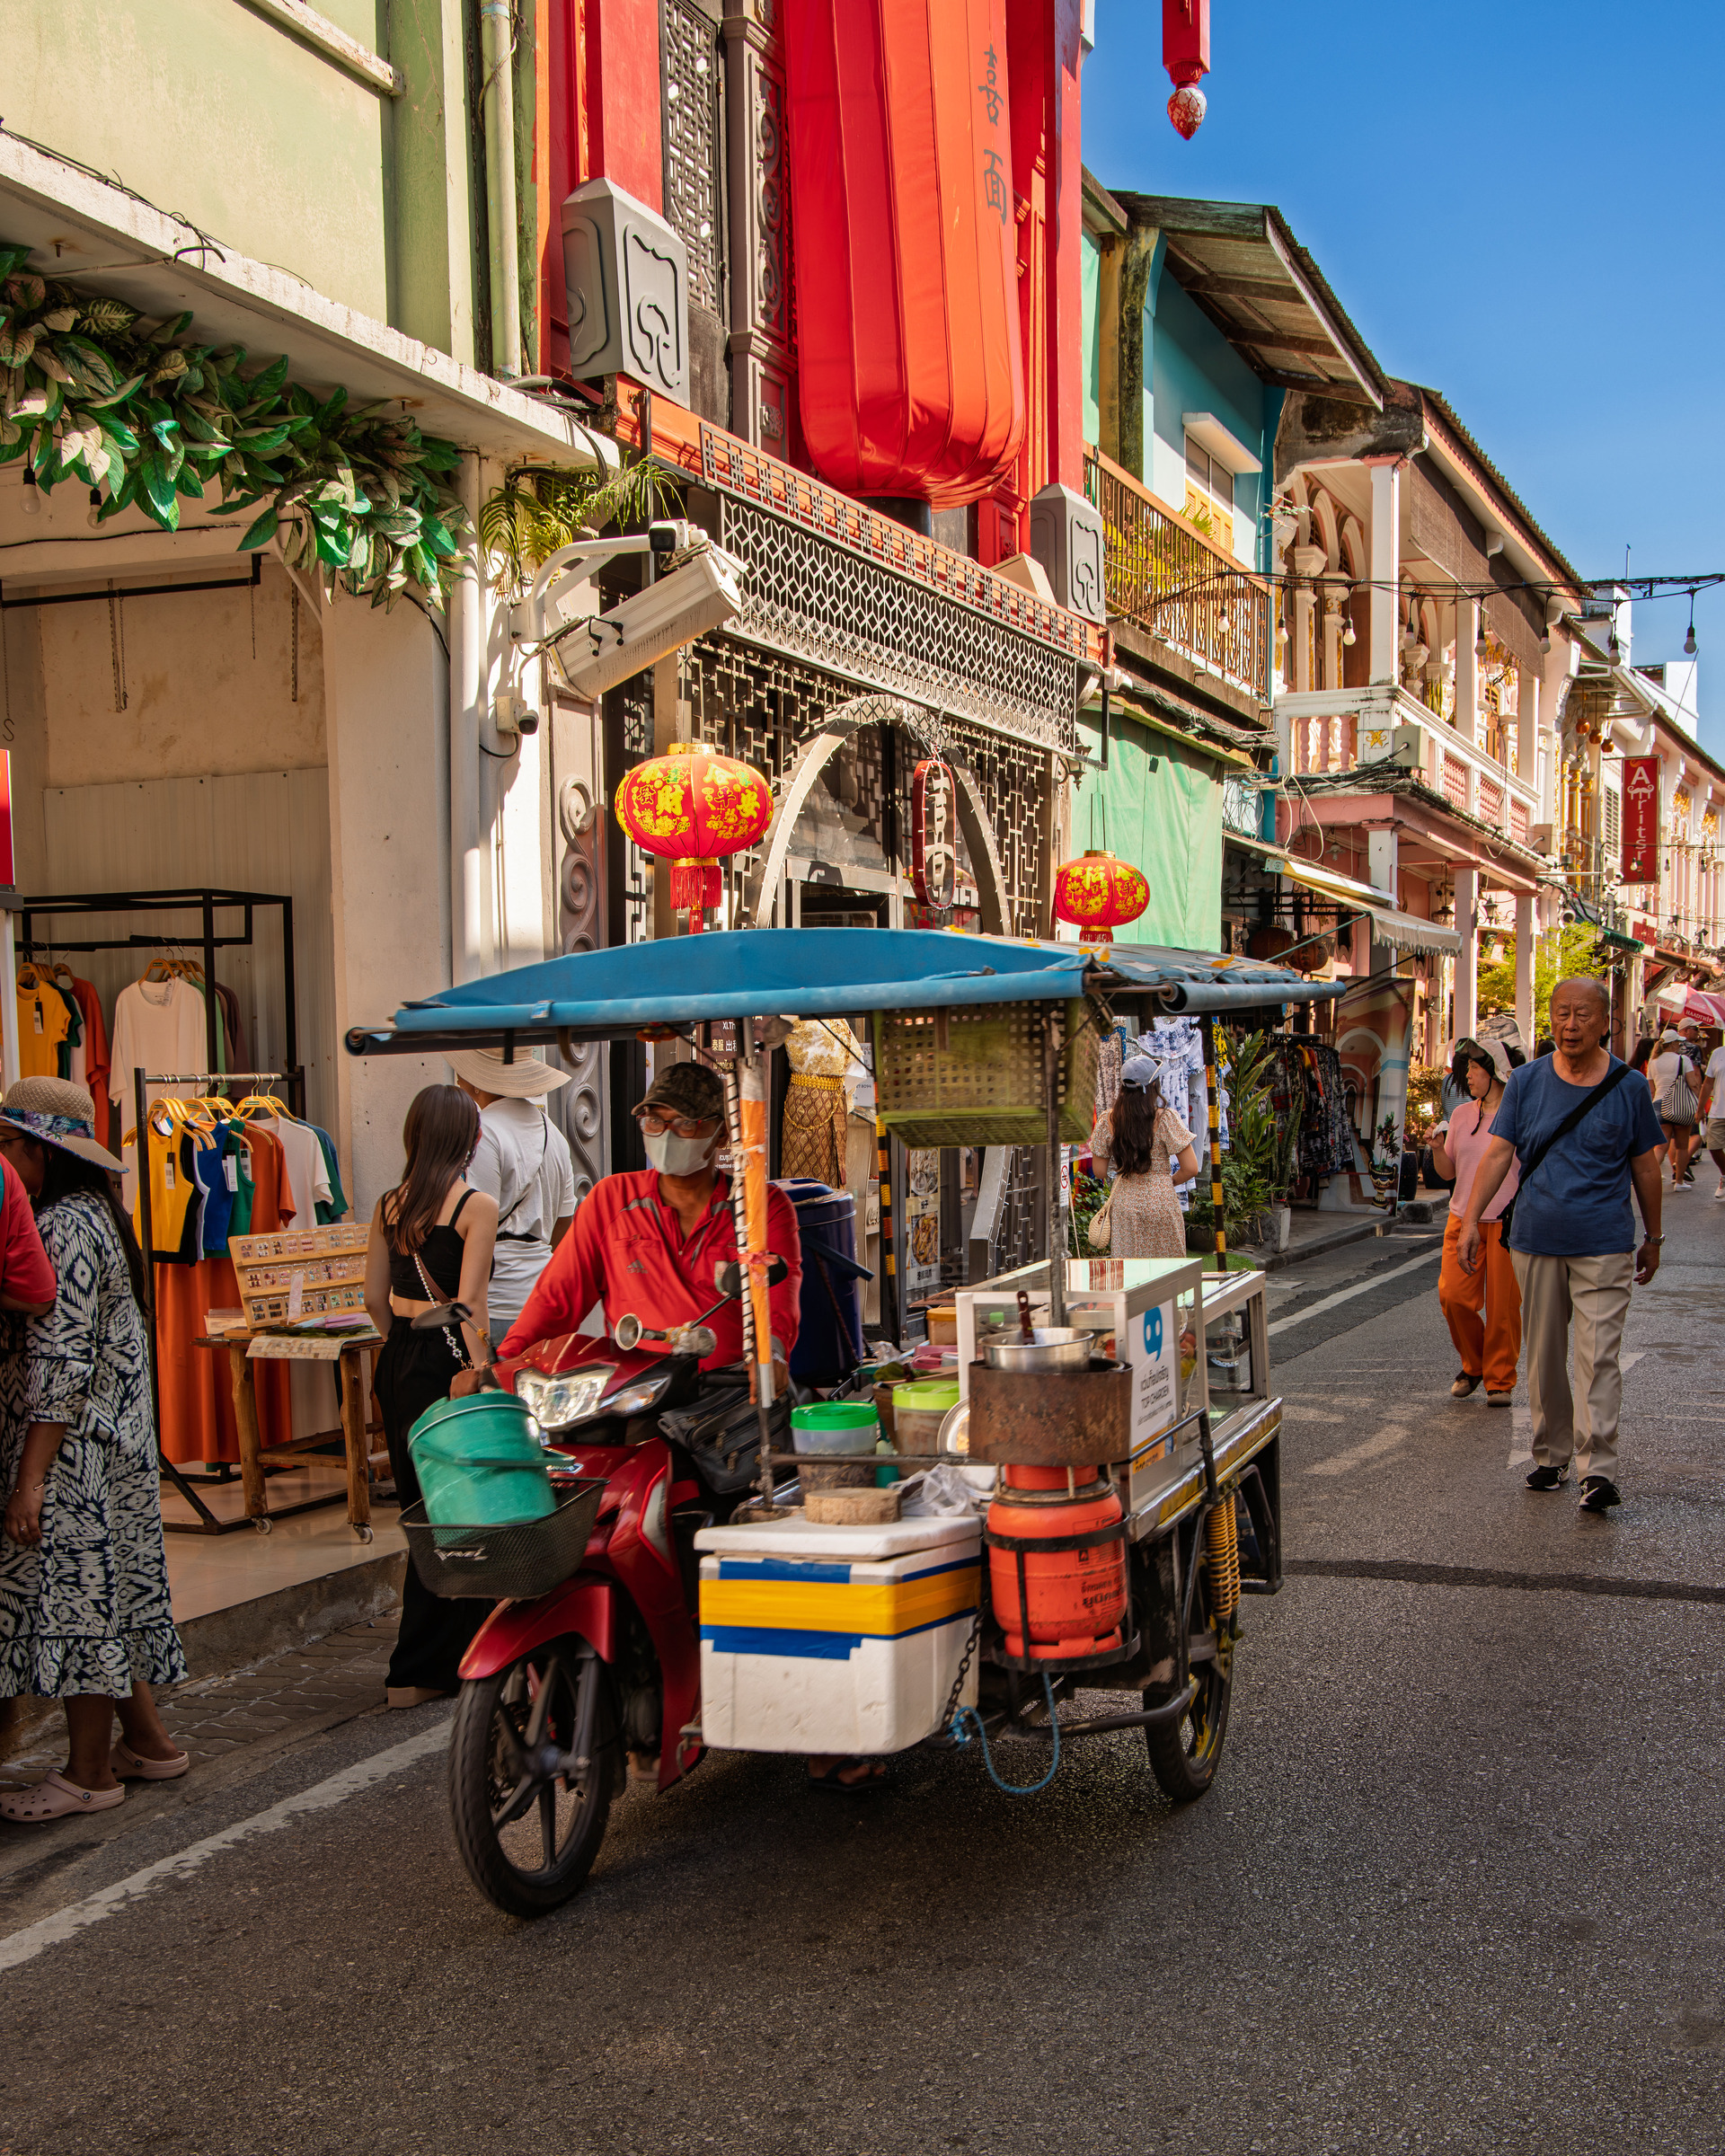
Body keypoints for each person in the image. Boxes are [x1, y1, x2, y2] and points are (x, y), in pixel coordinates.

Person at [473, 1063, 845, 1784]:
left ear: (715, 1137)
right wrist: (505, 1365)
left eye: (686, 1123)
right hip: (625, 1397)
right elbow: (557, 1298)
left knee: (772, 1537)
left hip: (729, 1396)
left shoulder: (758, 1207)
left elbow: (781, 1303)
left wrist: (771, 1350)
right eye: (654, 1119)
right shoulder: (611, 1201)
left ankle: (817, 1717)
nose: (666, 1134)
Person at [0, 1079, 190, 1822]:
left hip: (78, 1447)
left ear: (43, 1149)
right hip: (113, 1440)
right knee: (108, 1594)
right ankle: (145, 1742)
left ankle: (88, 1774)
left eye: (11, 1146)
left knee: (80, 1599)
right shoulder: (97, 1216)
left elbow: (62, 1358)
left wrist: (31, 1479)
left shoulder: (64, 1228)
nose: (6, 1162)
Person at [1458, 977, 1664, 1515]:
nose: (1569, 1025)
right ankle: (1550, 1455)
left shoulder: (1629, 1087)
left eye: (1581, 1015)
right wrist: (1471, 1222)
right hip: (1536, 1239)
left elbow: (1646, 1165)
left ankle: (1597, 1469)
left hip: (1605, 1241)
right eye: (1560, 1014)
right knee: (1545, 1353)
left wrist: (1654, 1236)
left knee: (1598, 1358)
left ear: (1605, 1022)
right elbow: (1499, 1153)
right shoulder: (1525, 1082)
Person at [362, 1085, 499, 1709]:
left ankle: (418, 1668)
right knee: (463, 1511)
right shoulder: (476, 1205)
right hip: (449, 1364)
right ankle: (450, 1659)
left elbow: (372, 1300)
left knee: (421, 1512)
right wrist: (477, 1368)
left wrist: (401, 1352)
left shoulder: (389, 1205)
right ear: (469, 1140)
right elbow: (471, 1306)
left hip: (398, 1362)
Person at [448, 1047, 577, 1344]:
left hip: (497, 1300)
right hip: (542, 1295)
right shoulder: (554, 1134)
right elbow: (564, 1224)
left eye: (463, 1073)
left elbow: (476, 1224)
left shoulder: (483, 1132)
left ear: (479, 1081)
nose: (458, 1080)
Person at [1430, 1039, 1521, 1404]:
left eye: (1474, 1069)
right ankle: (1474, 1364)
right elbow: (1448, 1172)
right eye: (1466, 1068)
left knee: (1502, 1308)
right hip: (1462, 1217)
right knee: (1453, 1298)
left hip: (1505, 1220)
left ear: (1496, 1071)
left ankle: (1499, 1380)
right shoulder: (1463, 1115)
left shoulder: (1519, 1113)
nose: (1467, 1076)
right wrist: (1438, 1149)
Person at [1087, 1055, 1200, 1259]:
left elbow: (1099, 1171)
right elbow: (1191, 1168)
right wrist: (1166, 1182)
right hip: (1161, 1201)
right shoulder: (1165, 1118)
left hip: (1125, 1205)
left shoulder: (1108, 1120)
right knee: (1167, 1269)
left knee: (1130, 1270)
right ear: (1152, 1086)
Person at [1647, 1028, 1700, 1191]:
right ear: (1673, 1044)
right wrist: (1698, 1098)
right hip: (1680, 1106)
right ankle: (1679, 1182)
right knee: (1682, 1146)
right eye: (1678, 1042)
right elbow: (1693, 1083)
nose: (1679, 1045)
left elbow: (1652, 1088)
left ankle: (1649, 1180)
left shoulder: (1653, 1061)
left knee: (1660, 1146)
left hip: (1659, 1105)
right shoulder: (1683, 1060)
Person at [1698, 1030, 1725, 1200]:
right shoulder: (1718, 1053)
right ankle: (1724, 1174)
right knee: (1713, 1147)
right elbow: (1708, 1083)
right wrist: (1700, 1108)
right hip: (1718, 1111)